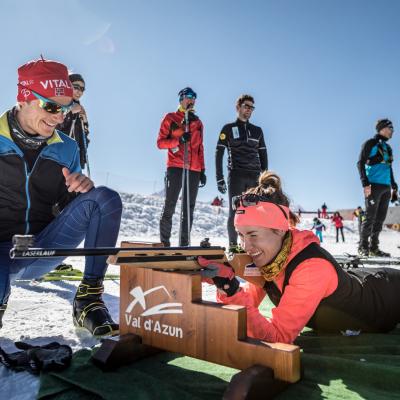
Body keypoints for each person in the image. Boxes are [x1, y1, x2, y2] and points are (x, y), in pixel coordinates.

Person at [198, 171, 400, 344]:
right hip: (360, 282)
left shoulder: (310, 267)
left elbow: (278, 338)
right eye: (240, 235)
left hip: (388, 296)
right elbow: (244, 306)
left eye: (253, 235)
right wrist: (224, 286)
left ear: (279, 230)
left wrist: (230, 289)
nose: (245, 246)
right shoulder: (269, 257)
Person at [0, 57, 122, 336]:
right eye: (52, 106)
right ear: (25, 97)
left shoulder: (66, 148)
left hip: (43, 247)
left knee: (104, 198)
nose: (60, 117)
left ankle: (88, 301)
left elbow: (69, 209)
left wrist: (79, 191)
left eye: (66, 108)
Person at [215, 94, 268, 252]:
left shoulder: (257, 131)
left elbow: (264, 156)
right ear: (238, 107)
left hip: (255, 177)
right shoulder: (228, 129)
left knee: (255, 214)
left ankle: (253, 247)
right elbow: (219, 153)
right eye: (246, 106)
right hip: (236, 175)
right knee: (235, 211)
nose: (249, 110)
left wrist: (264, 179)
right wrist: (219, 178)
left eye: (251, 107)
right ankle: (233, 246)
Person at [157, 87, 206, 247]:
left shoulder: (198, 122)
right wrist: (178, 140)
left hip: (194, 169)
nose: (191, 100)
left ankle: (184, 244)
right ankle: (165, 243)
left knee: (188, 208)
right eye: (188, 97)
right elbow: (160, 143)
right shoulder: (171, 118)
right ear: (181, 99)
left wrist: (203, 169)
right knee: (170, 204)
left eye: (194, 97)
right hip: (176, 166)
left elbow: (200, 147)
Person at [357, 119, 398, 256]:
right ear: (382, 129)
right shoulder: (370, 143)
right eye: (389, 128)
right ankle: (363, 247)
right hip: (373, 185)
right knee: (370, 217)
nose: (392, 131)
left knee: (380, 219)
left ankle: (374, 247)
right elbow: (360, 163)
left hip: (386, 187)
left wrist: (394, 186)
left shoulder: (388, 148)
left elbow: (389, 167)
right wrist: (365, 183)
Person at [57, 73, 89, 171]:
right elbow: (53, 126)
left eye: (82, 89)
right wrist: (69, 111)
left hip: (74, 161)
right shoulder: (58, 102)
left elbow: (84, 140)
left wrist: (85, 121)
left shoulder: (79, 109)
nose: (79, 91)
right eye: (76, 87)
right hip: (57, 157)